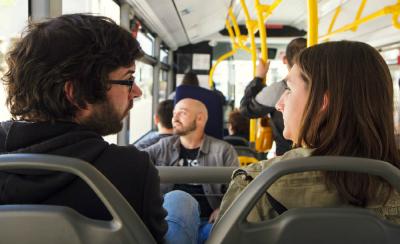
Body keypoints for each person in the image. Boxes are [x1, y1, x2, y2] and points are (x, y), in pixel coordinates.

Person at [0, 14, 171, 242]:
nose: (137, 92)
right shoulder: (132, 170)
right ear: (77, 93)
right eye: (128, 79)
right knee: (180, 201)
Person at [217, 41, 400, 224]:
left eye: (289, 89)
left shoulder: (255, 184)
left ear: (322, 102)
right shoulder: (393, 182)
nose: (279, 105)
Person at [145, 98, 239, 243]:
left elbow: (238, 188)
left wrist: (222, 208)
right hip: (172, 220)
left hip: (210, 223)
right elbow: (136, 162)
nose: (174, 118)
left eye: (182, 113)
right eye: (174, 114)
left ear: (200, 119)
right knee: (179, 199)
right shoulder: (163, 146)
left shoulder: (223, 151)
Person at [240, 37, 307, 156]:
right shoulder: (325, 87)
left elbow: (246, 109)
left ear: (285, 60)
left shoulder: (279, 89)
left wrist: (258, 78)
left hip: (286, 157)